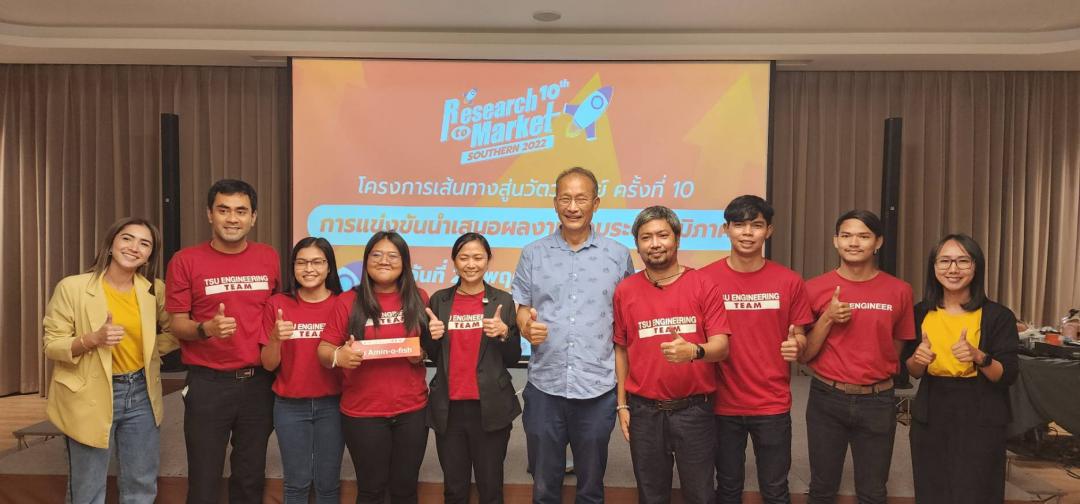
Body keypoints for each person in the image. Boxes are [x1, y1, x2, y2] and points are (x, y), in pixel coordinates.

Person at [512, 166, 635, 504]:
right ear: (555, 203)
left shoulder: (618, 255)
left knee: (591, 488)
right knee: (543, 487)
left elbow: (626, 321)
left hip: (597, 388)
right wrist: (525, 325)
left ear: (596, 203)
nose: (573, 207)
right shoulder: (533, 253)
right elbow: (522, 307)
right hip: (545, 386)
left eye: (581, 199)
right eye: (565, 198)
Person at [43, 217, 176, 504]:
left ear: (149, 256)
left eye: (144, 244)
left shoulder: (154, 290)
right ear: (111, 243)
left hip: (141, 393)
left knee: (141, 484)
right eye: (127, 238)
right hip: (89, 393)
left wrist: (149, 351)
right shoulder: (73, 287)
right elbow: (52, 345)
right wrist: (92, 339)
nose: (134, 247)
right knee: (88, 489)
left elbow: (174, 332)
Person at [165, 179, 280, 504]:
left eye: (241, 211)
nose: (232, 218)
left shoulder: (268, 257)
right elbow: (177, 324)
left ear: (253, 217)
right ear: (209, 214)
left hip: (258, 384)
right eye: (223, 210)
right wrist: (206, 329)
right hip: (208, 385)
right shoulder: (185, 260)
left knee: (250, 477)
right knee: (204, 480)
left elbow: (274, 313)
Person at [613, 206, 731, 504]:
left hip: (694, 410)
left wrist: (695, 351)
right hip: (644, 412)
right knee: (651, 495)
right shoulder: (625, 290)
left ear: (677, 239)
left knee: (701, 495)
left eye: (662, 235)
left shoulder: (703, 284)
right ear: (637, 245)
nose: (654, 244)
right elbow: (621, 349)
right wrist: (622, 405)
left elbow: (721, 346)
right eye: (646, 238)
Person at [702, 195, 814, 504]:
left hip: (772, 404)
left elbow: (800, 335)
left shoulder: (789, 281)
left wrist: (798, 345)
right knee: (727, 488)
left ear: (769, 231)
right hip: (721, 403)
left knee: (775, 490)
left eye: (756, 225)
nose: (748, 233)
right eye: (739, 225)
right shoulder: (704, 279)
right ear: (726, 229)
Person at [801, 209, 915, 504]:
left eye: (863, 236)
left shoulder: (900, 290)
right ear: (835, 241)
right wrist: (828, 317)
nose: (854, 243)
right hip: (827, 398)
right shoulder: (813, 288)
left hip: (878, 400)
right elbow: (805, 354)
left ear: (878, 242)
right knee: (822, 488)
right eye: (846, 236)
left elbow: (896, 348)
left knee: (873, 491)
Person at [318, 231, 431, 504]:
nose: (384, 261)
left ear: (404, 262)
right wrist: (339, 356)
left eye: (393, 255)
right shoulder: (347, 301)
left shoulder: (420, 297)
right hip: (363, 412)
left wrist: (420, 355)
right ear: (366, 260)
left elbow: (426, 348)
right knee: (371, 490)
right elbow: (324, 350)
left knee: (405, 490)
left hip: (412, 410)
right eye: (376, 254)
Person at [905, 234, 1019, 504]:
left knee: (976, 490)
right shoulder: (920, 312)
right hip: (932, 412)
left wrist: (979, 357)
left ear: (976, 266)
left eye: (962, 261)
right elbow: (913, 371)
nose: (953, 269)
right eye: (944, 261)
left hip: (981, 414)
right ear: (934, 267)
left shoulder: (998, 315)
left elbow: (1007, 375)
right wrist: (918, 359)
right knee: (932, 489)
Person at [425, 233, 522, 504]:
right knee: (454, 489)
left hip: (490, 408)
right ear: (454, 261)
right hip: (449, 409)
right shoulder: (439, 300)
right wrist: (431, 337)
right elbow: (434, 355)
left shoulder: (503, 300)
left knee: (490, 489)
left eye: (478, 257)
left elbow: (513, 357)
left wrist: (504, 333)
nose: (471, 264)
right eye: (464, 257)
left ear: (488, 260)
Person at [260, 237, 345, 504]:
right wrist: (275, 339)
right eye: (301, 262)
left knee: (328, 483)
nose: (309, 269)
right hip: (289, 406)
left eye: (317, 262)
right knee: (296, 483)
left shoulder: (343, 304)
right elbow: (268, 364)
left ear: (329, 267)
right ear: (293, 267)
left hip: (333, 404)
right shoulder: (277, 304)